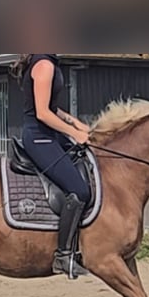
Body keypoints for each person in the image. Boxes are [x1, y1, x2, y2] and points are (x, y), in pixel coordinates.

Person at [10, 53, 91, 279]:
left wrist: (75, 122)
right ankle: (63, 255)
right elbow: (42, 113)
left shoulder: (48, 62)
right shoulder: (44, 64)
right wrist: (74, 133)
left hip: (50, 135)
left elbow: (51, 107)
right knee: (79, 190)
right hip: (39, 138)